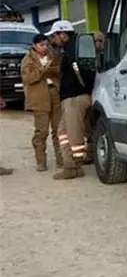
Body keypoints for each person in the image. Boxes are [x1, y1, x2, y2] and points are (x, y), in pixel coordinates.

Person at [47, 20, 93, 180]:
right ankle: (69, 164)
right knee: (62, 132)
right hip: (70, 97)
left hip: (75, 97)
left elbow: (83, 73)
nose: (53, 39)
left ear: (63, 34)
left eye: (54, 35)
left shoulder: (73, 51)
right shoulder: (71, 49)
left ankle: (75, 166)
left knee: (73, 133)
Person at [21, 33, 64, 173]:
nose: (44, 47)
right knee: (42, 131)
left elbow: (60, 71)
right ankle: (41, 161)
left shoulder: (53, 56)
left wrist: (53, 70)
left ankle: (61, 159)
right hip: (39, 97)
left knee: (59, 129)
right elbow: (28, 78)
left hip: (54, 93)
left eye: (46, 44)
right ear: (34, 45)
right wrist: (43, 70)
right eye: (41, 45)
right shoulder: (28, 60)